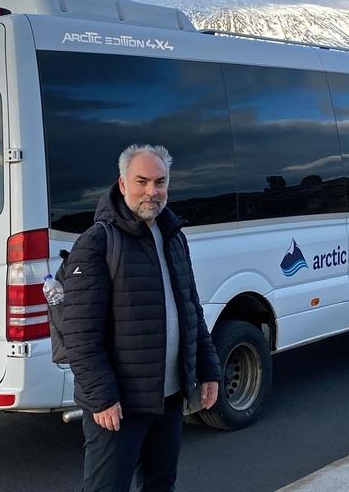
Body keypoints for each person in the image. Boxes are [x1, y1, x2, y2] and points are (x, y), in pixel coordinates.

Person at [61, 144, 222, 492]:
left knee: (161, 483)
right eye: (142, 181)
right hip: (120, 404)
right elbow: (79, 332)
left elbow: (192, 310)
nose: (152, 191)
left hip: (168, 396)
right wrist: (102, 397)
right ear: (122, 185)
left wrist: (208, 370)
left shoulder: (173, 238)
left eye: (160, 182)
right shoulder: (97, 243)